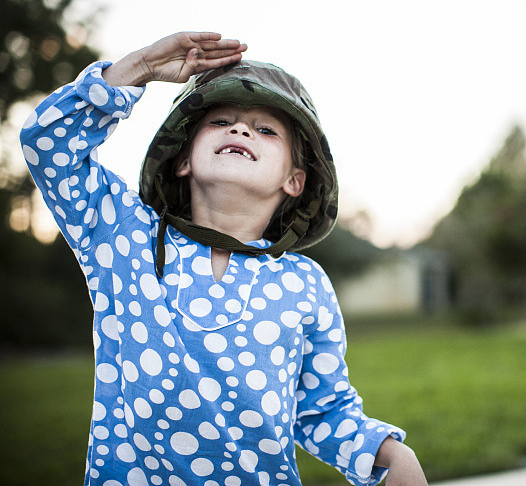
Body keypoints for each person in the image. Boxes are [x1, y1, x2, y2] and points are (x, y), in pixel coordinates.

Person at [20, 32, 427, 486]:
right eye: (220, 122)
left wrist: (390, 453)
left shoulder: (304, 283)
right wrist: (138, 69)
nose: (240, 130)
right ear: (183, 161)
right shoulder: (122, 234)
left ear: (294, 180)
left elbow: (321, 412)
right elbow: (48, 144)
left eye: (267, 129)